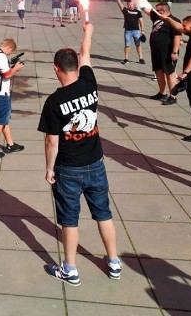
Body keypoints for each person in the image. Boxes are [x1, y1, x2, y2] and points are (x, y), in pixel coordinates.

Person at [39, 22, 122, 286]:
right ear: (76, 66)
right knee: (103, 213)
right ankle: (114, 262)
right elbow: (86, 54)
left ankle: (70, 269)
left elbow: (52, 141)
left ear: (56, 69)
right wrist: (88, 32)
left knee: (69, 219)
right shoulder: (89, 81)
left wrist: (50, 169)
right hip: (96, 163)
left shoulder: (53, 101)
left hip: (68, 169)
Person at [143, 2, 182, 105]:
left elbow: (177, 37)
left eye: (158, 10)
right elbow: (146, 9)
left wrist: (174, 52)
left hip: (168, 52)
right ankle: (162, 93)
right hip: (156, 51)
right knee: (158, 72)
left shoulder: (174, 21)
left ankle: (172, 96)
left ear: (163, 11)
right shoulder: (157, 17)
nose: (155, 11)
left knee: (170, 74)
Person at [116, 0, 144, 64]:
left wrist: (142, 31)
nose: (129, 5)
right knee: (127, 45)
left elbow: (141, 21)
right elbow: (120, 5)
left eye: (131, 4)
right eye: (128, 4)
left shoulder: (138, 12)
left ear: (133, 4)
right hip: (128, 31)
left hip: (136, 31)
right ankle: (126, 58)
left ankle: (141, 58)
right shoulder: (125, 10)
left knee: (138, 44)